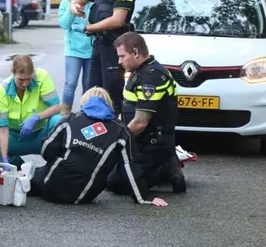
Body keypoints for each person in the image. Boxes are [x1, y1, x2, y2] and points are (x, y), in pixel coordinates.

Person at [27, 87, 167, 206]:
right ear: (109, 104)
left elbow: (46, 150)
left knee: (33, 174)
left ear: (84, 103)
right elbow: (129, 167)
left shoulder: (71, 119)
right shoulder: (122, 130)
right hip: (84, 195)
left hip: (52, 186)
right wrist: (143, 198)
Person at [106, 32, 186, 195]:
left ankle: (166, 167)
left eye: (122, 56)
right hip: (141, 142)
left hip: (153, 144)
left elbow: (141, 122)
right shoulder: (142, 70)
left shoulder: (151, 78)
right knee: (110, 174)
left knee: (115, 184)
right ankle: (168, 161)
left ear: (135, 52)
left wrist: (115, 142)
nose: (119, 61)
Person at [70, 0, 137, 115]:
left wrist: (88, 28)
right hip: (99, 44)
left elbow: (117, 20)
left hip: (115, 47)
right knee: (91, 92)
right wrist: (74, 6)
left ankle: (112, 136)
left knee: (111, 96)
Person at [0, 55, 63, 166]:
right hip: (15, 138)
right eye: (21, 80)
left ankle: (59, 165)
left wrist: (36, 117)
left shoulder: (41, 76)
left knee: (59, 121)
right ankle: (13, 161)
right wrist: (4, 160)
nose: (25, 84)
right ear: (12, 73)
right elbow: (3, 129)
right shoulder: (2, 90)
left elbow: (57, 107)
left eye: (29, 79)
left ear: (33, 73)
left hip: (42, 135)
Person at [57, 0, 93, 115]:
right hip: (73, 51)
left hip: (90, 49)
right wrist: (71, 6)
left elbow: (92, 23)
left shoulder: (91, 3)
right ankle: (65, 113)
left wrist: (81, 26)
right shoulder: (65, 4)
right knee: (70, 83)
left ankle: (86, 113)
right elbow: (65, 25)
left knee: (88, 84)